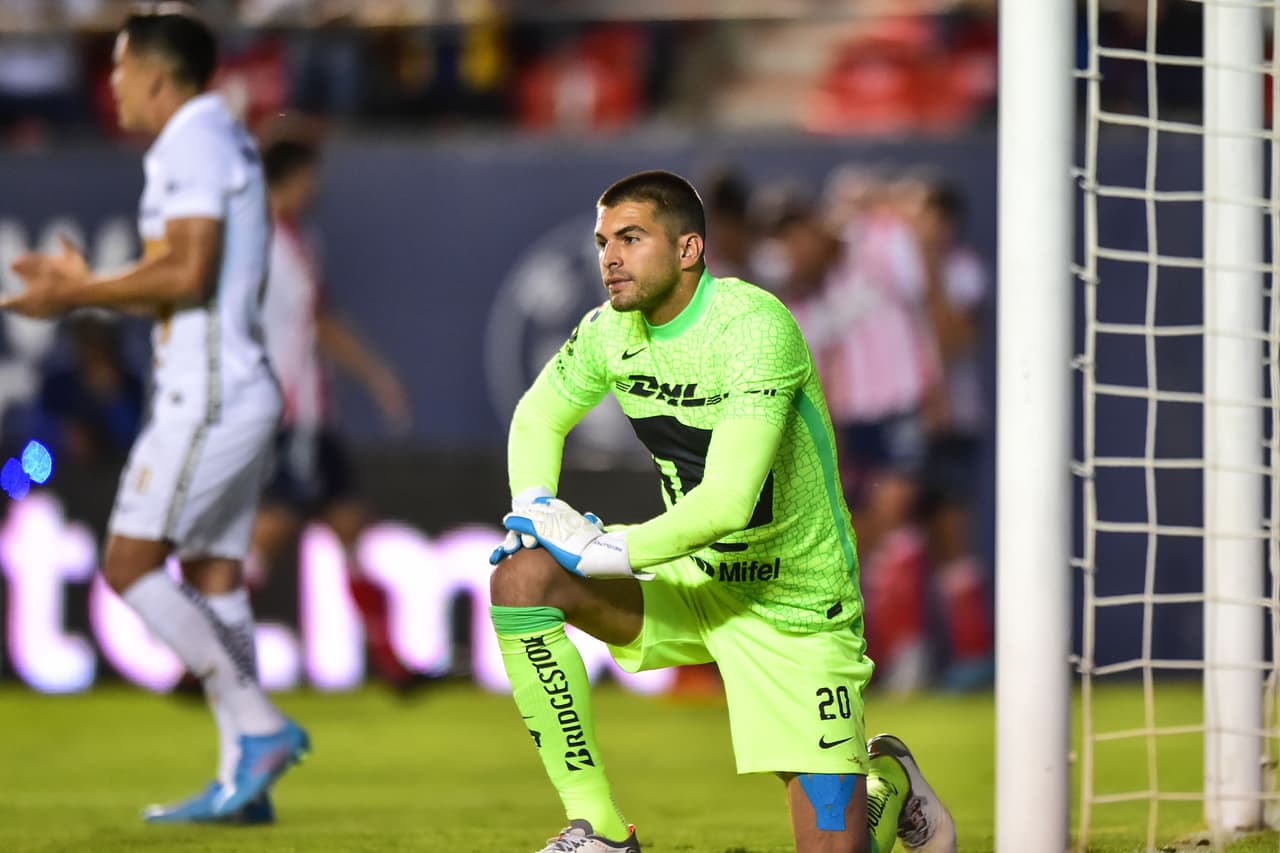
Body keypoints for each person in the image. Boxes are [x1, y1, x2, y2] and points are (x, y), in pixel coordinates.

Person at [487, 170, 957, 853]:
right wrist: (532, 506)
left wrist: (602, 547)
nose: (609, 257)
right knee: (522, 578)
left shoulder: (754, 328)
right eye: (601, 242)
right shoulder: (607, 334)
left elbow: (730, 500)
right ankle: (600, 827)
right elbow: (537, 415)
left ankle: (884, 791)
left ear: (687, 249)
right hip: (693, 584)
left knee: (835, 846)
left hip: (793, 608)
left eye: (630, 238)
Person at [4, 4, 308, 824]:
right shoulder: (218, 136)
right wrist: (99, 284)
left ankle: (258, 727)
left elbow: (187, 270)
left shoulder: (193, 140)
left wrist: (77, 292)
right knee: (215, 576)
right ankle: (241, 783)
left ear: (155, 76)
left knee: (129, 563)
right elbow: (185, 264)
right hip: (234, 385)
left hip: (204, 395)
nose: (110, 85)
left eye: (117, 68)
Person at [251, 136, 422, 692]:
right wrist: (378, 377)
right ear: (292, 178)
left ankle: (393, 662)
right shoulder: (264, 245)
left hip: (312, 411)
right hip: (290, 411)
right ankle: (199, 656)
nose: (315, 188)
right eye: (309, 177)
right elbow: (315, 323)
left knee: (349, 524)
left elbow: (317, 320)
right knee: (272, 532)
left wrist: (375, 378)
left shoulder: (296, 242)